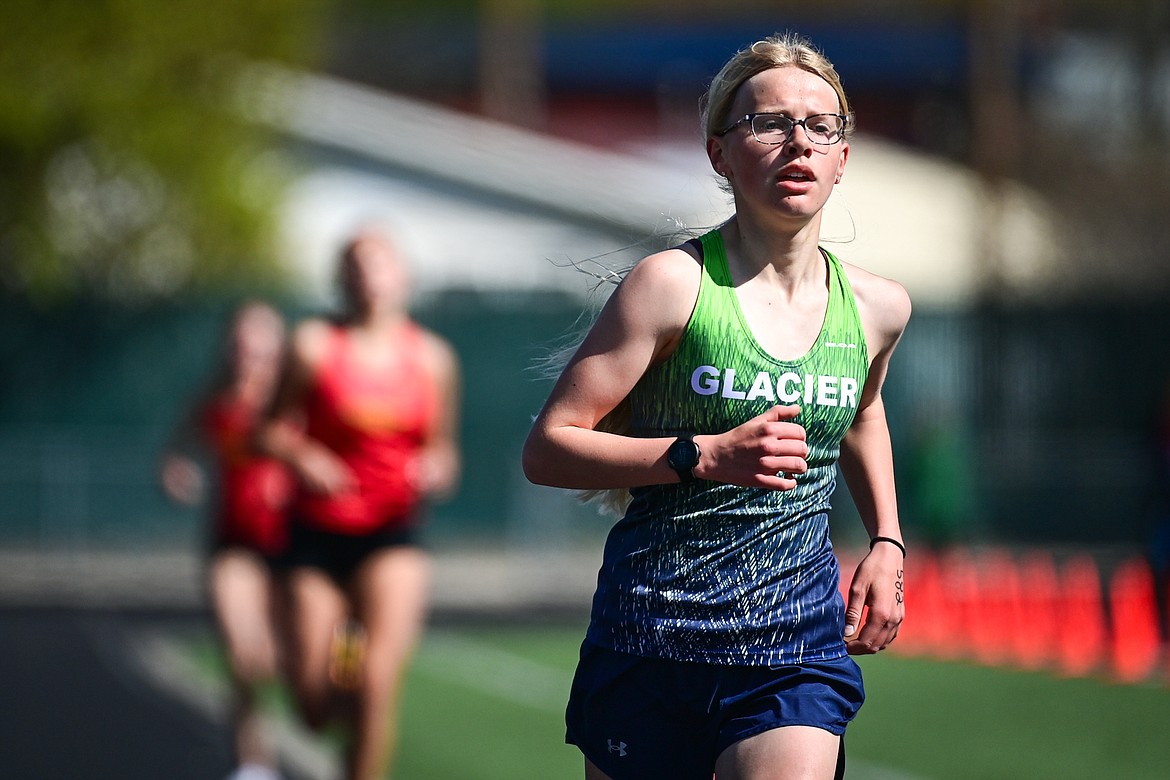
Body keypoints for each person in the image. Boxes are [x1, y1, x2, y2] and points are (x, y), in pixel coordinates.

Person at [522, 32, 911, 780]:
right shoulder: (671, 287)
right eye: (768, 123)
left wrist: (887, 541)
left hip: (792, 649)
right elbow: (549, 447)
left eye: (819, 126)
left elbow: (864, 412)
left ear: (842, 157)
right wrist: (702, 455)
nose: (797, 141)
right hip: (650, 642)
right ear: (719, 154)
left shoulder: (877, 309)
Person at [256, 228, 461, 780]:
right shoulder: (313, 344)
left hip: (391, 535)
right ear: (341, 278)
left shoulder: (433, 359)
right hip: (317, 535)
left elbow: (443, 450)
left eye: (379, 262)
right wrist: (303, 458)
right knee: (314, 706)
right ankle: (339, 675)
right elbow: (267, 431)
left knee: (375, 684)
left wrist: (435, 469)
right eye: (355, 263)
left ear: (403, 276)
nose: (368, 274)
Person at [160, 300, 293, 780]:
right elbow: (175, 449)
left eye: (258, 343)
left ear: (279, 347)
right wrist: (176, 472)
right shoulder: (214, 401)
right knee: (241, 655)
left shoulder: (297, 400)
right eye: (239, 343)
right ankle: (254, 764)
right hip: (232, 542)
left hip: (297, 545)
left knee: (311, 665)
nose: (247, 354)